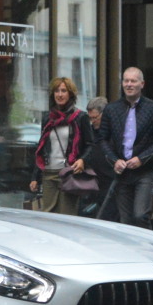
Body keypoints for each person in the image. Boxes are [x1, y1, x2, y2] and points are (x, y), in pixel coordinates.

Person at [97, 66, 153, 227]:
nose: (129, 84)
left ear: (142, 84)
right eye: (126, 80)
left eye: (133, 81)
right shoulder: (111, 109)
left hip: (144, 171)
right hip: (122, 171)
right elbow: (102, 139)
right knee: (126, 220)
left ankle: (148, 247)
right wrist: (114, 160)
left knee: (140, 215)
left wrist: (141, 159)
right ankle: (129, 251)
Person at [28, 78, 93, 215]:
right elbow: (41, 147)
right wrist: (35, 177)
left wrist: (82, 160)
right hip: (49, 173)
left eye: (64, 91)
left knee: (67, 215)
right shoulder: (48, 118)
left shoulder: (80, 117)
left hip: (68, 173)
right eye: (57, 91)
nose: (60, 94)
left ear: (70, 94)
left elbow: (91, 145)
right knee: (48, 215)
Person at [85, 96, 118, 220]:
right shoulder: (91, 131)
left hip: (112, 180)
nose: (92, 121)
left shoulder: (115, 130)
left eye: (95, 118)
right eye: (90, 118)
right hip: (95, 181)